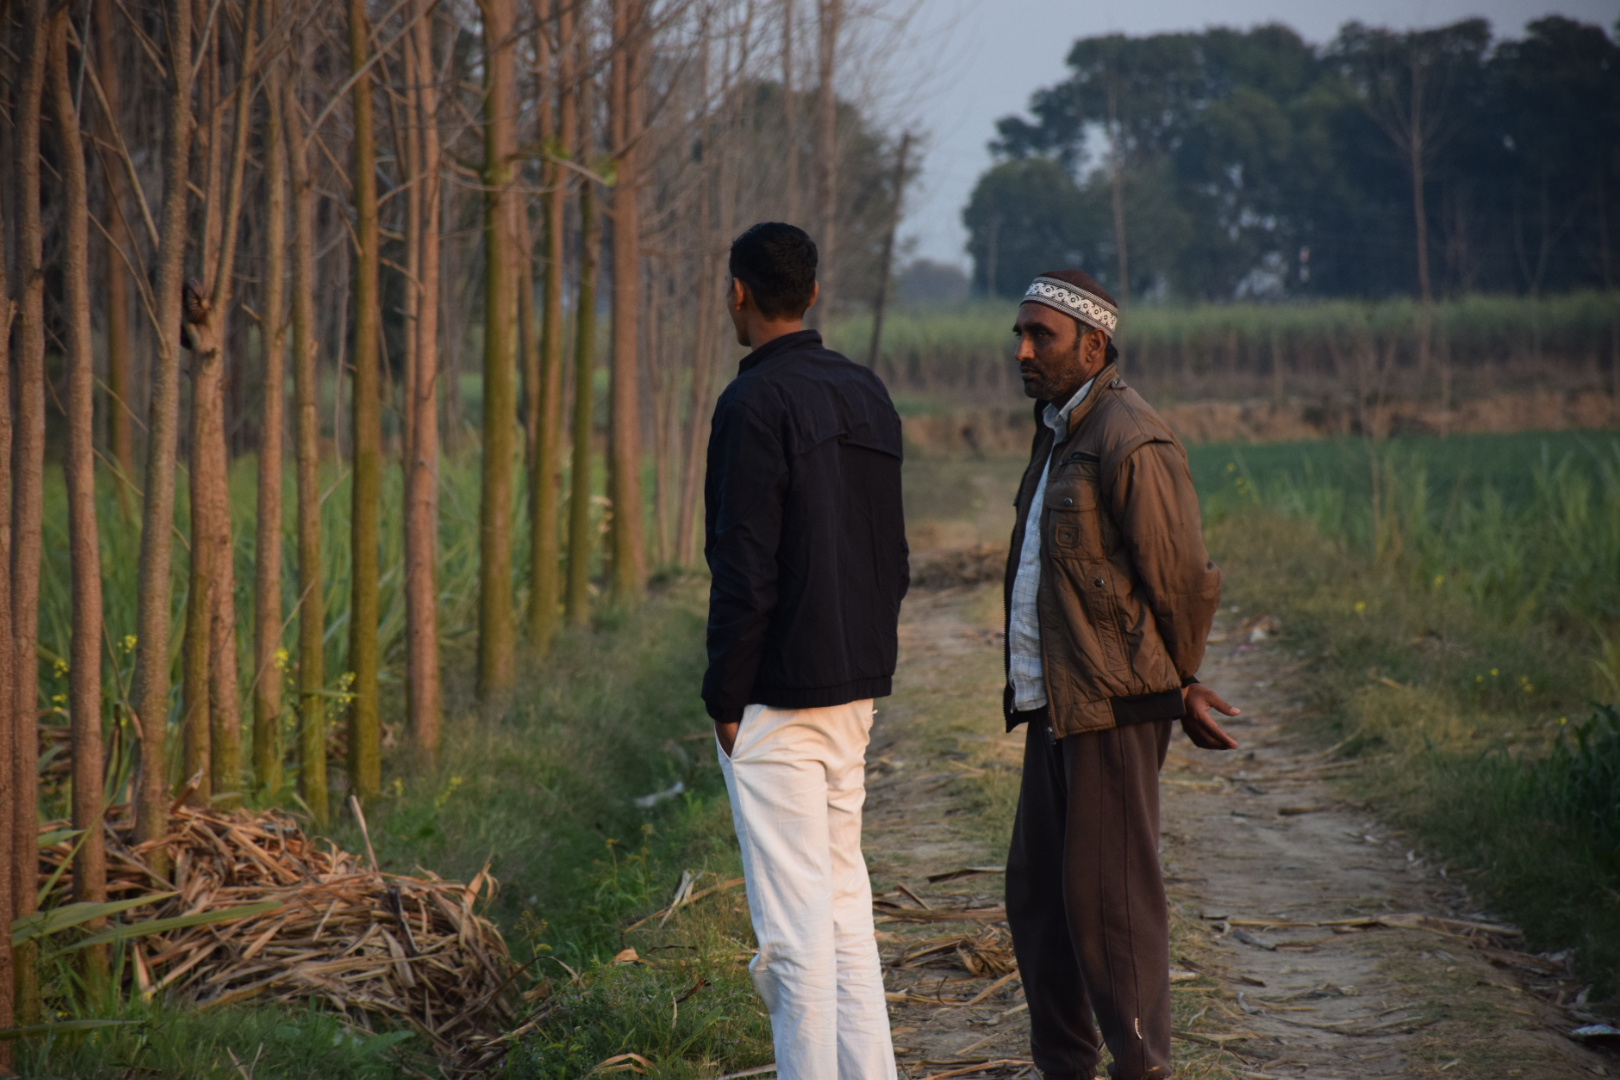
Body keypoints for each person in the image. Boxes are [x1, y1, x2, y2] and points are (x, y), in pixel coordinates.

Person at [999, 269, 1241, 1080]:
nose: (1024, 350)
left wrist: (1182, 684)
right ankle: (1065, 1068)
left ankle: (1145, 1070)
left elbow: (1181, 580)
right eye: (1020, 335)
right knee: (1039, 902)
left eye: (1042, 336)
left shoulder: (1131, 436)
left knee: (1112, 912)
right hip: (1056, 705)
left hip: (1114, 707)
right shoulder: (1059, 429)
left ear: (1094, 346)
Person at [702, 222, 908, 1080]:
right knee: (843, 909)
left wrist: (726, 695)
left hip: (778, 701)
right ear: (813, 294)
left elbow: (743, 566)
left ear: (738, 293)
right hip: (853, 692)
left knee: (792, 936)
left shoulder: (750, 405)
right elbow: (890, 555)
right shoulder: (868, 394)